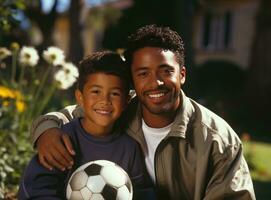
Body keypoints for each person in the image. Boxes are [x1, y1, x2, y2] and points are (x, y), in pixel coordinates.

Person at [30, 25, 255, 199]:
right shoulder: (119, 109)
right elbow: (71, 114)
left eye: (166, 71)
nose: (155, 82)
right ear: (132, 80)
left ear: (182, 74)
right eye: (143, 73)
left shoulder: (218, 141)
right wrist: (46, 131)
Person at [18, 51, 153, 199]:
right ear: (80, 97)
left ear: (126, 101)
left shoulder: (129, 148)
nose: (105, 101)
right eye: (96, 91)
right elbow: (35, 188)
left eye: (114, 93)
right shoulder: (62, 140)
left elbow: (141, 191)